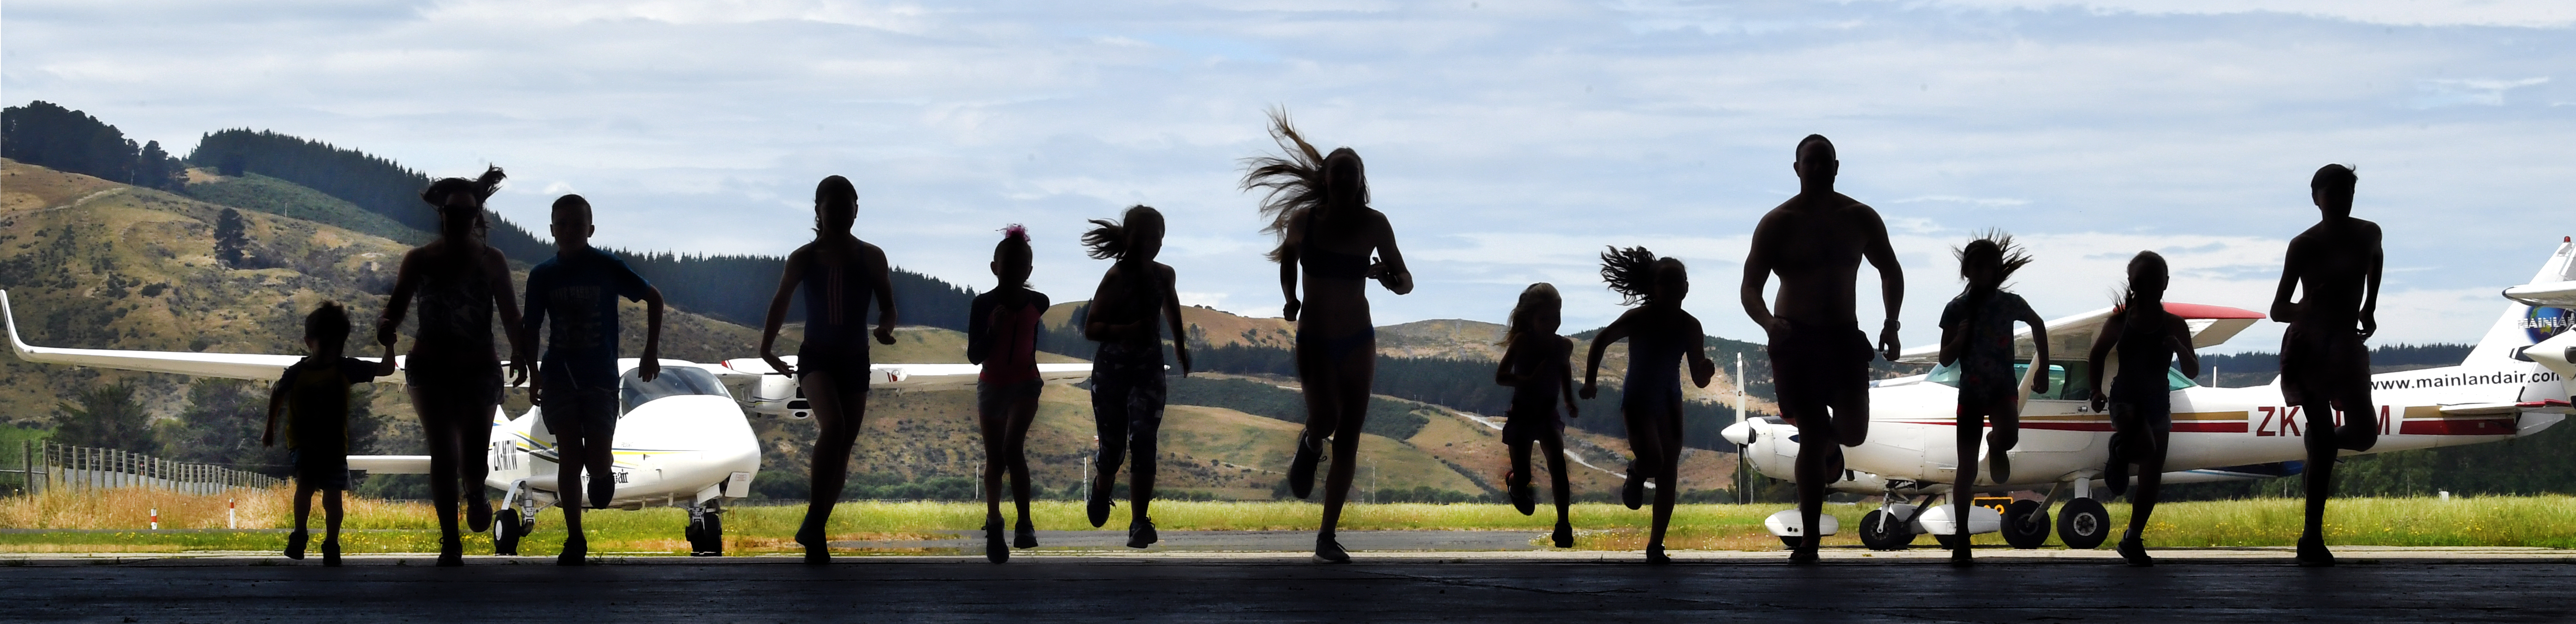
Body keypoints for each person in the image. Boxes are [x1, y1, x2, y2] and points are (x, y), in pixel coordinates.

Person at [1241, 110, 1412, 563]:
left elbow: (1406, 281)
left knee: (1351, 434)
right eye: (1337, 171)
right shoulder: (1304, 221)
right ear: (1326, 178)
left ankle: (1326, 536)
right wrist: (1289, 298)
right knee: (1324, 419)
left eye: (1351, 173)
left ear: (1360, 182)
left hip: (1358, 338)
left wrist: (1385, 277)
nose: (1343, 179)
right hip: (1315, 338)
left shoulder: (1375, 224)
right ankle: (1311, 441)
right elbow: (1287, 259)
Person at [1740, 134, 1904, 564]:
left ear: (1836, 166)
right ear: (1796, 168)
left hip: (1842, 337)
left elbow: (1889, 269)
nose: (1815, 169)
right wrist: (1769, 324)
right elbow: (1750, 287)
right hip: (1795, 340)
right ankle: (1810, 538)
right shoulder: (1778, 222)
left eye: (1823, 162)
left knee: (1853, 433)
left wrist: (1891, 324)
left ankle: (1831, 446)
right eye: (1807, 162)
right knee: (1811, 436)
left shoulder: (1859, 217)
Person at [378, 165, 529, 567]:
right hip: (430, 368)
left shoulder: (492, 261)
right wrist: (386, 325)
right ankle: (450, 542)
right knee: (442, 452)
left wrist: (522, 351)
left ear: (476, 217)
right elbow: (396, 306)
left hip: (478, 368)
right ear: (442, 215)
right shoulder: (418, 260)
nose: (459, 220)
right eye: (452, 213)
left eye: (466, 213)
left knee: (475, 456)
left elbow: (512, 315)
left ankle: (476, 490)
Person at [759, 175, 899, 564]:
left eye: (846, 206)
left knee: (845, 448)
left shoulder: (872, 256)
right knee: (833, 429)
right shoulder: (804, 257)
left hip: (855, 359)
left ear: (857, 209)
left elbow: (888, 305)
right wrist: (766, 348)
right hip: (816, 357)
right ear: (818, 211)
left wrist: (886, 328)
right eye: (831, 207)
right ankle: (814, 522)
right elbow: (780, 301)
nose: (839, 214)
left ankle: (815, 528)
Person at [518, 194, 664, 566]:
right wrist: (534, 374)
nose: (569, 231)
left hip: (600, 376)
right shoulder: (542, 276)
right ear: (552, 230)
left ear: (591, 229)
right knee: (570, 454)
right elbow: (531, 327)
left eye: (577, 224)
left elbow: (654, 298)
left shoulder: (607, 267)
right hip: (559, 376)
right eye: (562, 224)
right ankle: (575, 538)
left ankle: (601, 472)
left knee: (594, 457)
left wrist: (650, 352)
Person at [2268, 163, 2382, 567]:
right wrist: (2304, 307)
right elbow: (2277, 309)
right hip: (2311, 347)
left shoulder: (2368, 233)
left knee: (2365, 434)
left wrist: (2369, 306)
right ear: (2316, 198)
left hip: (2345, 346)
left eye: (2347, 192)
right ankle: (2311, 539)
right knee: (2325, 443)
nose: (2341, 200)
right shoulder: (2303, 246)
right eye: (2333, 193)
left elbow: (2375, 260)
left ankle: (2320, 442)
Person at [1580, 248, 1716, 564]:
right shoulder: (1639, 318)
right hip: (1639, 399)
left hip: (1669, 402)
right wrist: (1590, 381)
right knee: (1654, 460)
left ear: (1686, 287)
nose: (1672, 288)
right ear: (1652, 288)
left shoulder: (1690, 326)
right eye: (1664, 282)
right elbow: (1601, 340)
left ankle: (1655, 546)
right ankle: (1636, 471)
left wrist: (1706, 371)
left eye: (1677, 282)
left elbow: (1698, 378)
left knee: (1668, 473)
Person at [1080, 206, 1191, 549]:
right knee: (1112, 449)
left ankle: (1138, 522)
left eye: (1156, 238)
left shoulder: (1164, 275)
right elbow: (1092, 327)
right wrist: (1127, 329)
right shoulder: (1115, 277)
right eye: (1144, 237)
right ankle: (1102, 488)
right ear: (1128, 238)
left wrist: (1181, 347)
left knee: (1144, 441)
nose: (1151, 244)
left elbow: (1171, 308)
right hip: (1112, 374)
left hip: (1148, 370)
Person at [1934, 233, 2049, 566]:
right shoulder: (1956, 308)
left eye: (1991, 267)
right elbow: (1944, 358)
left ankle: (1996, 445)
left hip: (2001, 388)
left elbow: (2038, 324)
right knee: (1966, 469)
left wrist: (2041, 366)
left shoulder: (2009, 302)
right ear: (1967, 270)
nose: (1985, 272)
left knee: (2010, 435)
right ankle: (1961, 540)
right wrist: (1960, 338)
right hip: (1971, 392)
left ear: (1997, 269)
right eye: (1978, 266)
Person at [2087, 251, 2199, 567]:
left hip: (2157, 403)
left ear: (2164, 284)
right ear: (2133, 284)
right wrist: (2096, 390)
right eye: (2142, 282)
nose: (2148, 288)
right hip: (2125, 398)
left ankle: (2132, 538)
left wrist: (2178, 347)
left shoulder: (2174, 325)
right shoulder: (2120, 322)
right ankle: (2120, 449)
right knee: (2147, 449)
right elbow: (2096, 356)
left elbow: (2191, 370)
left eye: (2153, 281)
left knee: (2151, 477)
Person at [263, 302, 396, 567]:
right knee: (309, 487)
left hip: (332, 447)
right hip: (307, 444)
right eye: (326, 345)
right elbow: (277, 393)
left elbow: (386, 369)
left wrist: (390, 345)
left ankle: (328, 542)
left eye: (335, 346)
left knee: (328, 495)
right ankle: (306, 535)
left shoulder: (335, 369)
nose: (330, 352)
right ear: (310, 342)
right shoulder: (302, 372)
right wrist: (270, 427)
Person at [969, 225, 1051, 563]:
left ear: (1029, 271)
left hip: (1025, 383)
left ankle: (1025, 523)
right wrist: (993, 330)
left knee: (1011, 448)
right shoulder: (983, 304)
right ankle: (995, 521)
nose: (1016, 272)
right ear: (995, 268)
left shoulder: (1039, 302)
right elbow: (975, 355)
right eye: (1009, 265)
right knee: (996, 460)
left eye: (1022, 266)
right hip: (992, 384)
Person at [1495, 283, 1580, 548]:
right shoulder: (1522, 342)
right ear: (1530, 318)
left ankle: (1563, 525)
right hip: (1522, 416)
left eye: (1556, 317)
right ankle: (1515, 485)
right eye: (1544, 319)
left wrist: (1568, 400)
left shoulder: (1563, 346)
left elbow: (1564, 371)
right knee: (1524, 475)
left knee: (1558, 465)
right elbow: (1501, 377)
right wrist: (1529, 379)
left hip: (1547, 415)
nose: (1552, 324)